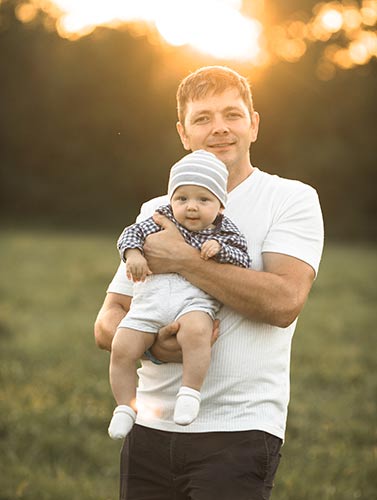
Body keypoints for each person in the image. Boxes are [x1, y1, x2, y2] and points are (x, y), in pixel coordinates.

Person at [94, 65, 324, 500]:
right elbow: (108, 318)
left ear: (253, 125)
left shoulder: (290, 199)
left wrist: (184, 260)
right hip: (148, 425)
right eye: (203, 118)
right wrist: (154, 345)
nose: (219, 128)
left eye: (232, 115)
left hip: (237, 431)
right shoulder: (158, 208)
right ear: (184, 133)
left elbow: (283, 302)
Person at [108, 149, 250, 439]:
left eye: (203, 199)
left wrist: (222, 251)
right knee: (122, 346)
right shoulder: (159, 219)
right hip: (150, 300)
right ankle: (124, 407)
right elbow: (129, 234)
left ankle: (190, 392)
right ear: (171, 200)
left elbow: (244, 259)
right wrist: (133, 254)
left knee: (197, 332)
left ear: (220, 206)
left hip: (193, 301)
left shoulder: (224, 230)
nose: (191, 207)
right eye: (182, 198)